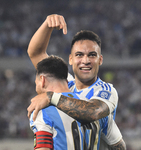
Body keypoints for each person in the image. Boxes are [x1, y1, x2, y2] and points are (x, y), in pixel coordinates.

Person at [27, 14, 126, 149]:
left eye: (92, 55)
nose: (85, 61)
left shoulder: (105, 91)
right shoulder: (67, 85)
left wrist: (50, 96)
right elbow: (36, 54)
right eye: (79, 55)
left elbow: (93, 112)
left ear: (100, 60)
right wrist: (46, 25)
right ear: (71, 59)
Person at [30, 55, 124, 150]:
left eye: (36, 83)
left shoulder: (42, 112)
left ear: (42, 80)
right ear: (66, 81)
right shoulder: (92, 106)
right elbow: (119, 146)